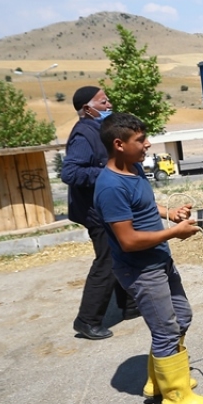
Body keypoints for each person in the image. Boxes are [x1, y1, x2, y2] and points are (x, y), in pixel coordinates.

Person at [95, 112, 203, 404]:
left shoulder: (134, 169)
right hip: (140, 270)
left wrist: (171, 213)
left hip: (158, 260)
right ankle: (175, 397)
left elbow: (145, 205)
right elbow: (127, 240)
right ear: (119, 144)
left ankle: (158, 380)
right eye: (140, 140)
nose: (148, 144)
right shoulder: (110, 186)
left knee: (181, 317)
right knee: (166, 329)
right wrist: (175, 233)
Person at [62, 86, 138, 340]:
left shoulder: (101, 130)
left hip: (112, 207)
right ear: (88, 109)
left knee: (123, 255)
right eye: (103, 102)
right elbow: (70, 173)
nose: (109, 105)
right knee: (106, 262)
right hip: (97, 212)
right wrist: (108, 174)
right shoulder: (83, 134)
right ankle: (87, 320)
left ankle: (130, 306)